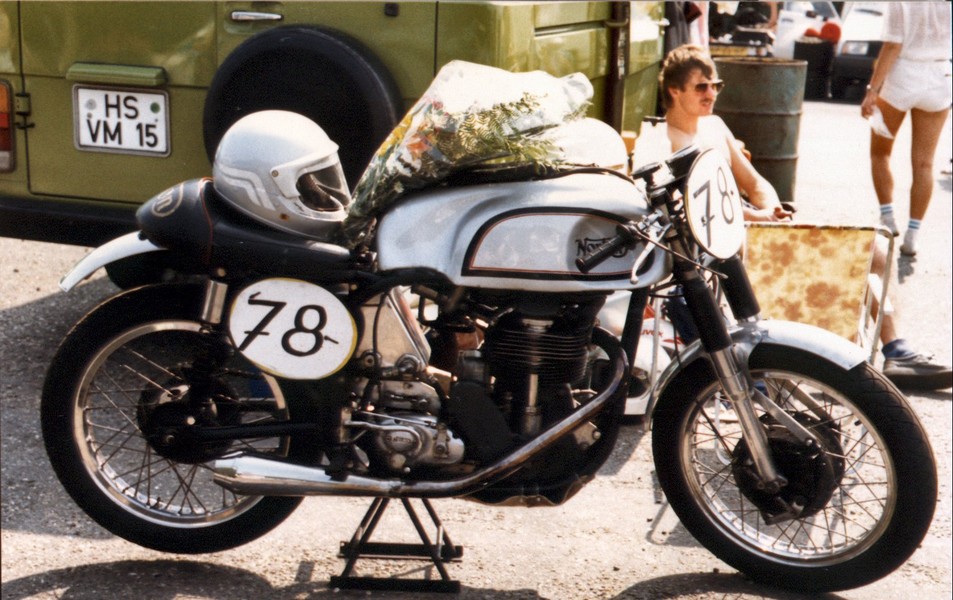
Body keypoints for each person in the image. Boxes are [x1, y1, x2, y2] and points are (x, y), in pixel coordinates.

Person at [652, 44, 951, 391]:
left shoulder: (714, 126)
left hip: (754, 231)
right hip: (720, 246)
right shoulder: (666, 141)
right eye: (701, 87)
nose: (711, 94)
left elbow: (756, 181)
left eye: (715, 85)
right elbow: (689, 209)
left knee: (876, 253)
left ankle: (896, 350)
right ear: (675, 90)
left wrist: (771, 209)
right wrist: (754, 217)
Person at [860, 1, 952, 257]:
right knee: (924, 164)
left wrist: (872, 90)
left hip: (902, 77)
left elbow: (892, 46)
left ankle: (888, 216)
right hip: (940, 74)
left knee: (880, 153)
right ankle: (914, 233)